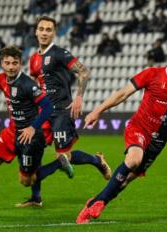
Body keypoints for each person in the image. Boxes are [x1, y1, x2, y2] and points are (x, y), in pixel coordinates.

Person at [76, 39, 167, 224]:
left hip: (158, 142)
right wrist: (97, 111)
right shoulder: (152, 74)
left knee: (124, 182)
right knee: (134, 159)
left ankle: (94, 202)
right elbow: (123, 93)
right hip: (139, 127)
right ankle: (100, 203)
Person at [0, 46, 73, 211]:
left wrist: (32, 127)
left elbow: (48, 108)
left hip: (30, 137)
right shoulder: (2, 79)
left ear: (20, 64)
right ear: (2, 64)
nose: (11, 67)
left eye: (14, 63)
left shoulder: (28, 85)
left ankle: (59, 163)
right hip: (11, 132)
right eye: (7, 63)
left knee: (26, 181)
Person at [21, 16, 112, 207]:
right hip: (43, 112)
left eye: (48, 29)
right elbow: (33, 82)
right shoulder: (34, 59)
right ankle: (36, 198)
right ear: (36, 32)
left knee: (63, 155)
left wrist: (79, 97)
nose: (44, 32)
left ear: (54, 32)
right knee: (35, 147)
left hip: (62, 110)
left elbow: (84, 71)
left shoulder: (60, 53)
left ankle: (96, 160)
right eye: (41, 29)